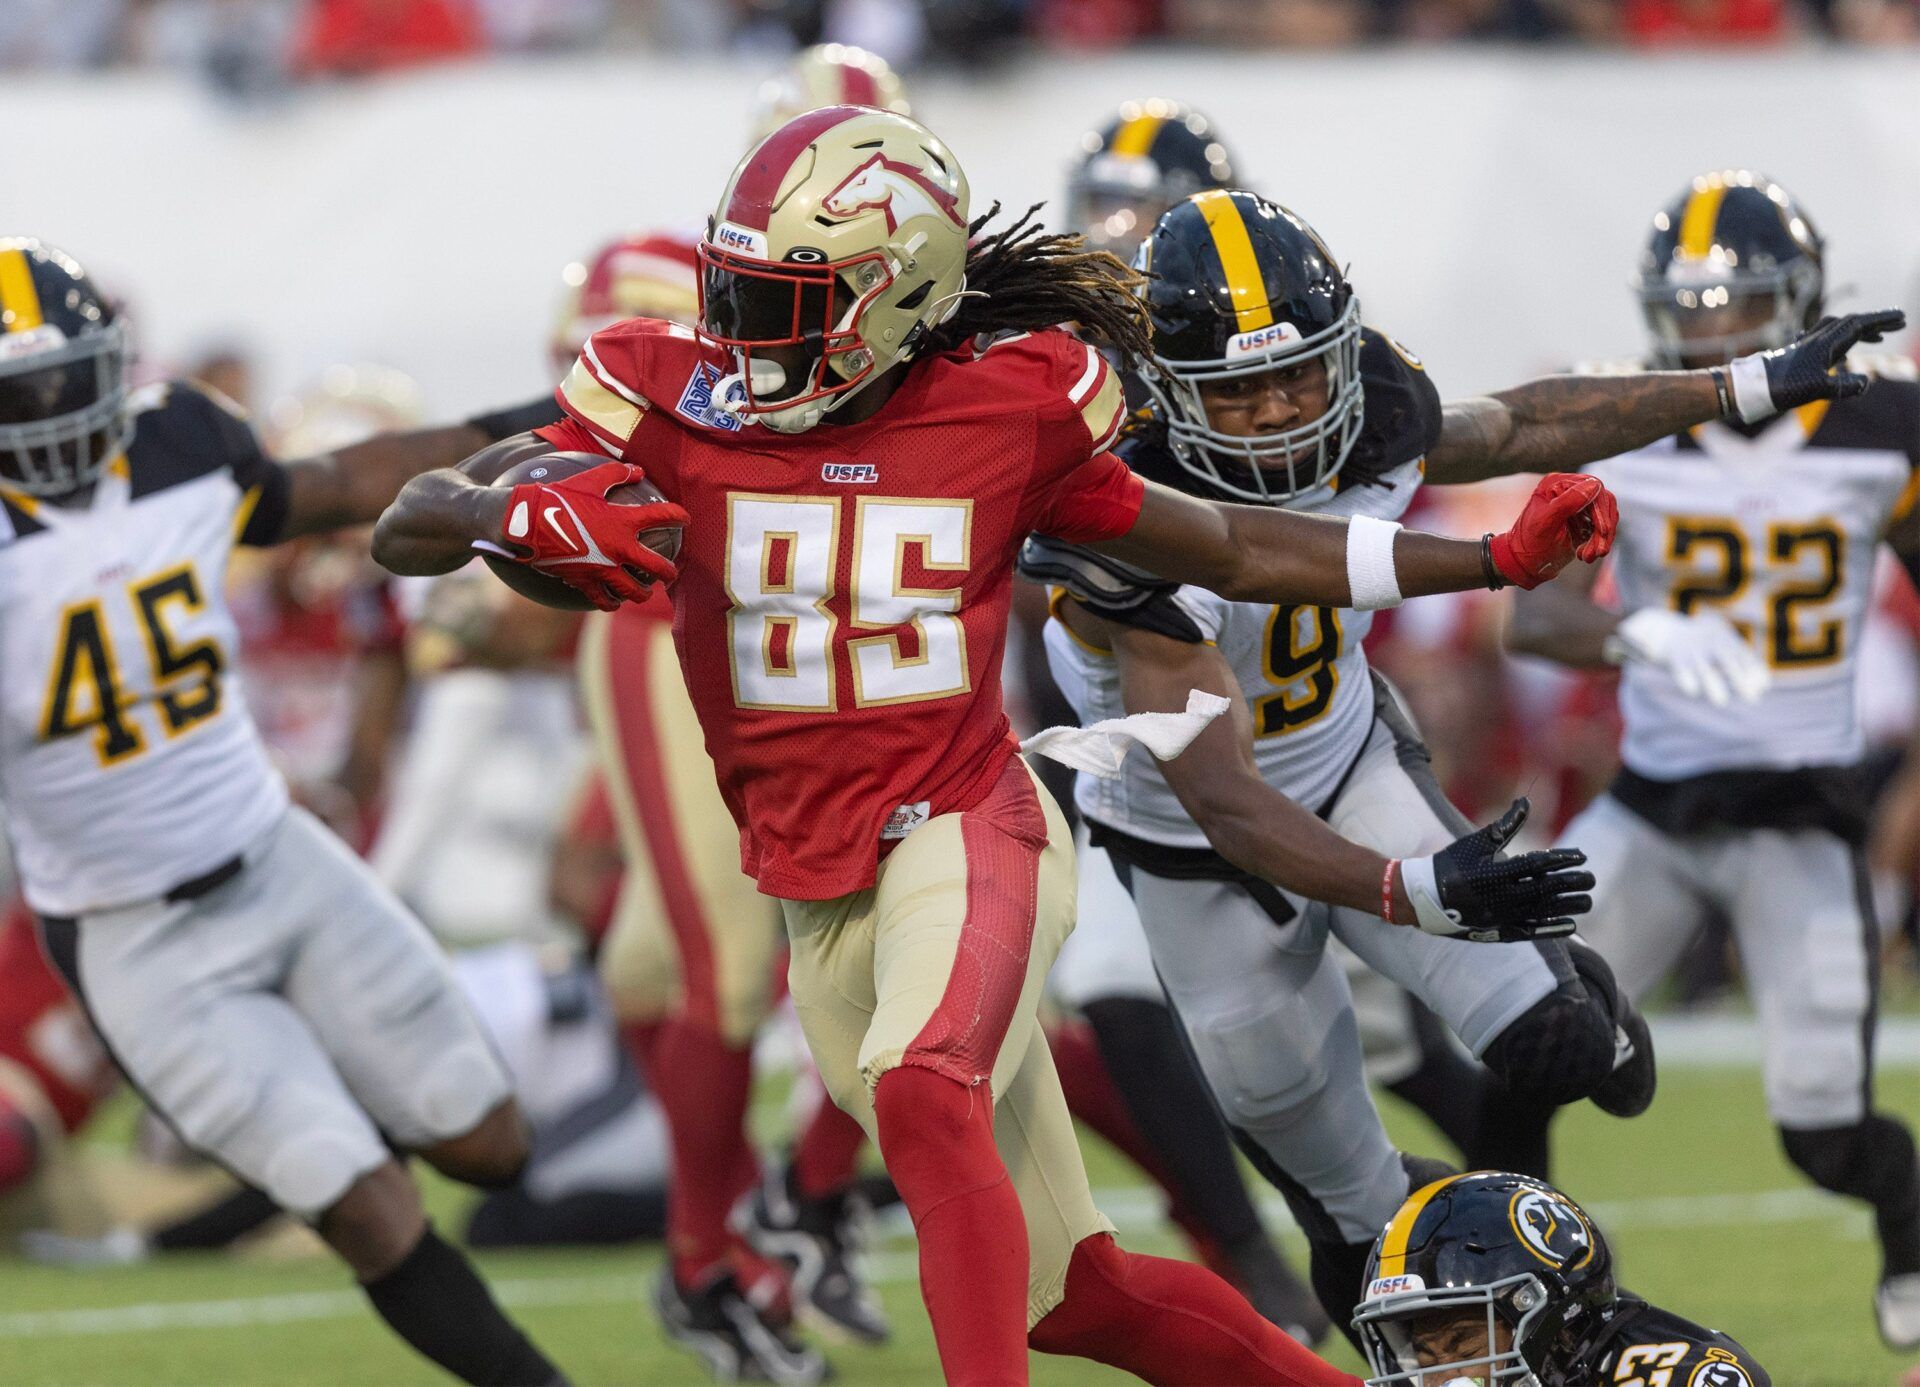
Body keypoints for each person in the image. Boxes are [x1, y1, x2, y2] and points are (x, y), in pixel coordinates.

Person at [371, 105, 1619, 1387]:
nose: (746, 333)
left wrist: (1484, 556)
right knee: (1079, 1296)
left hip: (965, 834)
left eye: (787, 300)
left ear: (894, 297)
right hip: (817, 883)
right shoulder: (666, 394)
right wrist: (493, 507)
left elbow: (1237, 543)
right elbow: (407, 525)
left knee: (924, 1086)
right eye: (741, 292)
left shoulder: (1009, 411)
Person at [1027, 186, 1899, 1337]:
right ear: (1170, 395)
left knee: (1554, 1040)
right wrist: (1411, 887)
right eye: (1242, 393)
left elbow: (1517, 426)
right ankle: (1552, 1338)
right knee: (1359, 1228)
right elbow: (1228, 791)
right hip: (1199, 863)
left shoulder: (1368, 402)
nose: (1287, 410)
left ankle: (1572, 1130)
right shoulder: (1114, 509)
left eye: (1302, 374)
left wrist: (1743, 383)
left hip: (1351, 770)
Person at [0, 237, 574, 1386]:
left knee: (491, 1145)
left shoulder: (174, 438)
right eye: (29, 392)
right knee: (365, 1207)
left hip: (277, 856)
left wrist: (560, 415)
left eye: (75, 376)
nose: (62, 410)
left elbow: (341, 484)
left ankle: (309, 1115)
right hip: (133, 935)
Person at [1507, 169, 1920, 1351]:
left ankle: (1907, 1221)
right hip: (1648, 808)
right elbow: (1530, 620)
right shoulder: (1628, 420)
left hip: (1803, 818)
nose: (1713, 331)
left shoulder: (1885, 423)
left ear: (1796, 302)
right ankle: (1515, 1301)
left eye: (1734, 304)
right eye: (1689, 308)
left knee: (1824, 1130)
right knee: (1520, 1041)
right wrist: (1632, 631)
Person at [559, 231, 880, 1379]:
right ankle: (713, 1257)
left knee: (656, 970)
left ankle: (759, 1219)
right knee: (728, 976)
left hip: (743, 640)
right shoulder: (646, 363)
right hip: (665, 633)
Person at [1353, 1171, 1768, 1386]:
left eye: (1464, 1348)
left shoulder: (1674, 1374)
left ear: (1551, 1323)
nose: (1442, 1380)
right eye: (1426, 1359)